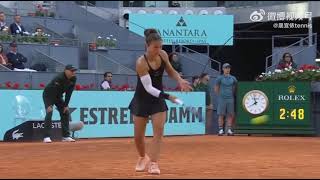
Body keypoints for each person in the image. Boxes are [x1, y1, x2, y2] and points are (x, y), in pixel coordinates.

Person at [128, 28, 192, 175]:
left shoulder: (163, 55)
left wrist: (179, 80)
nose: (158, 49)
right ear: (147, 45)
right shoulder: (141, 63)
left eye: (160, 46)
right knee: (138, 137)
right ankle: (143, 157)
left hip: (158, 102)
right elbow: (149, 88)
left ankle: (153, 163)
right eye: (155, 47)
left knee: (158, 132)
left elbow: (170, 71)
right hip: (142, 99)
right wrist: (169, 97)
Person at [42, 64, 78, 143]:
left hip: (58, 96)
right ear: (66, 71)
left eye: (74, 71)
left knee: (65, 112)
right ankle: (46, 136)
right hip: (49, 95)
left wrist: (65, 105)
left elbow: (69, 93)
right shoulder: (59, 78)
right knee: (49, 112)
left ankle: (65, 136)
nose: (73, 73)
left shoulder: (73, 79)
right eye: (71, 71)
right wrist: (49, 105)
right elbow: (53, 92)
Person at [214, 63, 238, 136]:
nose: (227, 69)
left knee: (230, 114)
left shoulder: (233, 78)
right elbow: (216, 88)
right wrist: (220, 96)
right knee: (221, 114)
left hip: (230, 98)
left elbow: (234, 88)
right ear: (223, 69)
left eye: (228, 68)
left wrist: (231, 95)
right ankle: (221, 130)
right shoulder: (219, 78)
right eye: (226, 68)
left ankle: (229, 130)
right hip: (222, 99)